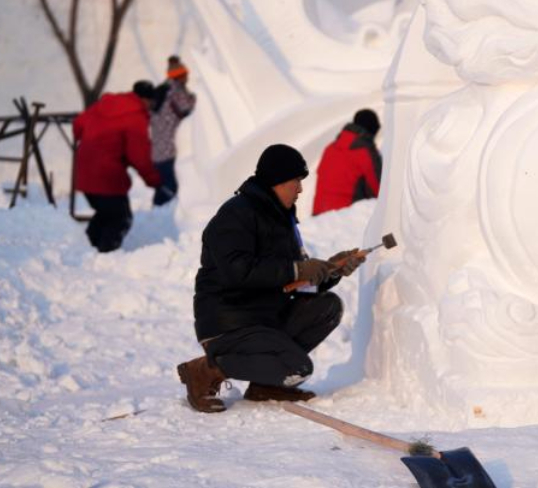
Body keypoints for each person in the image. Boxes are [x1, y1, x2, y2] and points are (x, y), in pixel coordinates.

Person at [177, 144, 367, 413]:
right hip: (230, 322)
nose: (300, 189)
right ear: (277, 181)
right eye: (296, 181)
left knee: (328, 307)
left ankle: (264, 384)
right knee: (298, 368)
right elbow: (238, 270)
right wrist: (297, 270)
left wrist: (331, 270)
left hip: (264, 317)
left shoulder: (280, 217)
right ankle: (205, 369)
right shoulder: (236, 214)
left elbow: (291, 277)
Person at [72, 81, 161, 252]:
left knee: (107, 212)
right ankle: (105, 254)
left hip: (84, 173)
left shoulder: (105, 104)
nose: (151, 107)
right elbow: (140, 156)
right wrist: (153, 179)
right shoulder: (135, 117)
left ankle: (90, 248)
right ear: (145, 99)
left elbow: (78, 125)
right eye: (151, 102)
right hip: (107, 178)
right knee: (121, 218)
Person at [311, 109, 383, 216]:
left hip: (319, 218)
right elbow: (379, 192)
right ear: (371, 131)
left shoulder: (330, 148)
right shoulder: (366, 153)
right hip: (345, 220)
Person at [149, 56, 197, 206]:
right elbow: (191, 106)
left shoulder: (160, 90)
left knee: (163, 191)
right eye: (185, 75)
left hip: (157, 151)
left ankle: (154, 218)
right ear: (180, 76)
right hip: (170, 151)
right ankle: (161, 222)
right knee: (171, 191)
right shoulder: (176, 91)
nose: (188, 78)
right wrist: (195, 96)